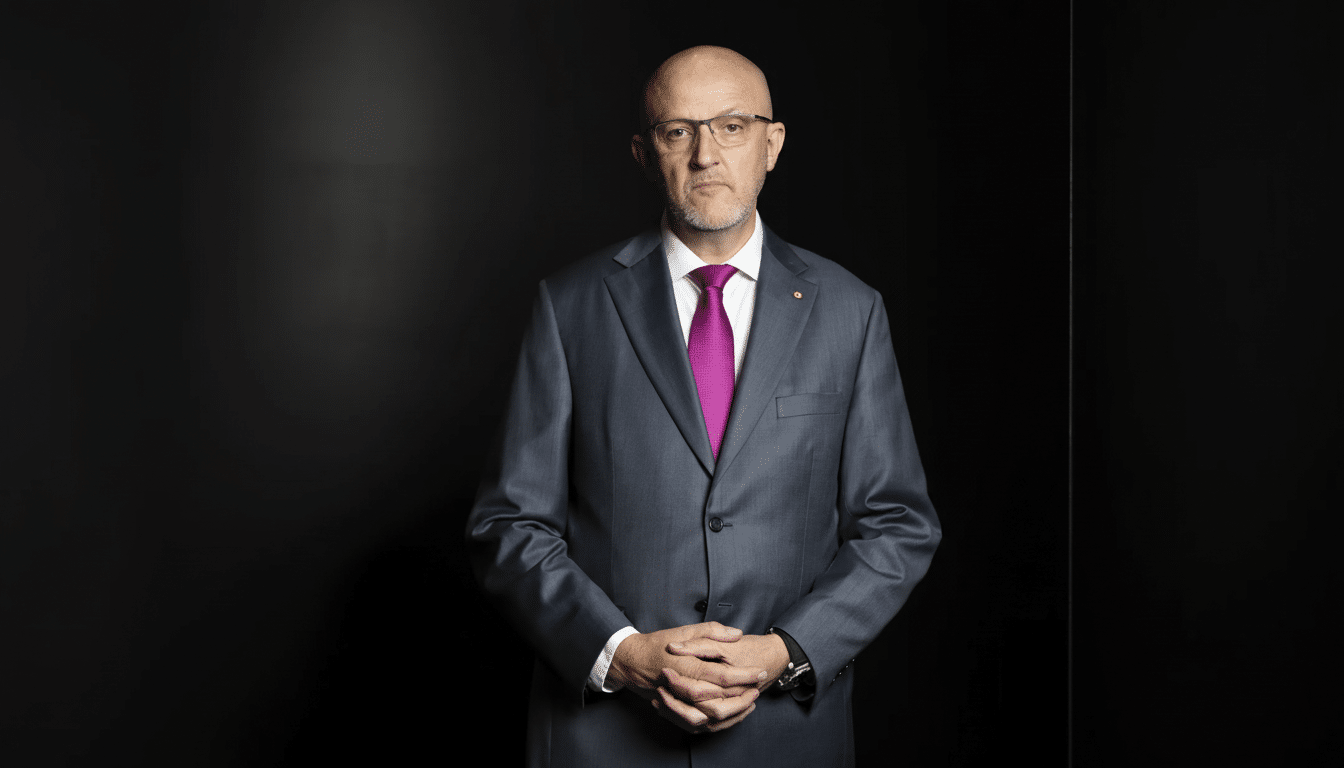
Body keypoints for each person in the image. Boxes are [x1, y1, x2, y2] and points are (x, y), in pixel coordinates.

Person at [466, 45, 940, 767]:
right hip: (604, 741)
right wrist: (621, 654)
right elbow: (509, 522)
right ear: (643, 151)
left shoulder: (851, 311)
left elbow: (898, 524)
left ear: (772, 144)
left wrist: (785, 652)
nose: (705, 155)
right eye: (677, 130)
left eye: (732, 126)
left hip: (786, 738)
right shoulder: (569, 308)